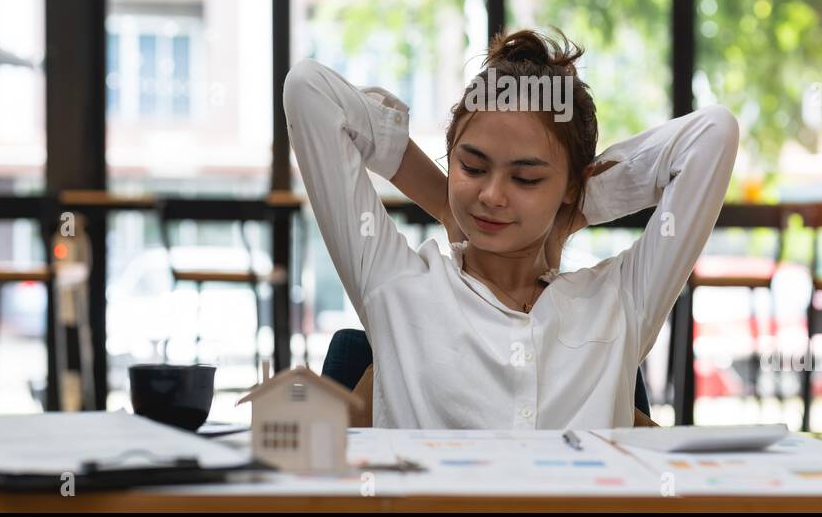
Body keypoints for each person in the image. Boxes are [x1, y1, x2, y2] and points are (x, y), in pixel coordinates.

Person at [283, 27, 739, 429]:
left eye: (526, 178)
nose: (492, 196)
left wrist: (575, 208)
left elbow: (712, 135)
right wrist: (445, 202)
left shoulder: (621, 301)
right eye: (472, 166)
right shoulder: (397, 286)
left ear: (566, 185)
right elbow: (309, 91)